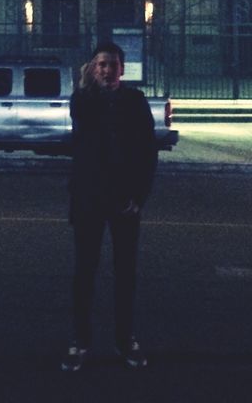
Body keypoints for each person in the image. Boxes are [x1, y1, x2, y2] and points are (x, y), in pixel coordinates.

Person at [60, 41, 157, 372]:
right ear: (92, 68)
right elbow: (80, 119)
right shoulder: (84, 101)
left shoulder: (135, 101)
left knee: (125, 274)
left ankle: (125, 339)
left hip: (124, 200)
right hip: (89, 198)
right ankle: (80, 341)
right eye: (100, 64)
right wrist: (85, 84)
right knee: (84, 272)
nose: (106, 69)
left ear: (122, 69)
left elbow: (148, 151)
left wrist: (139, 196)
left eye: (111, 64)